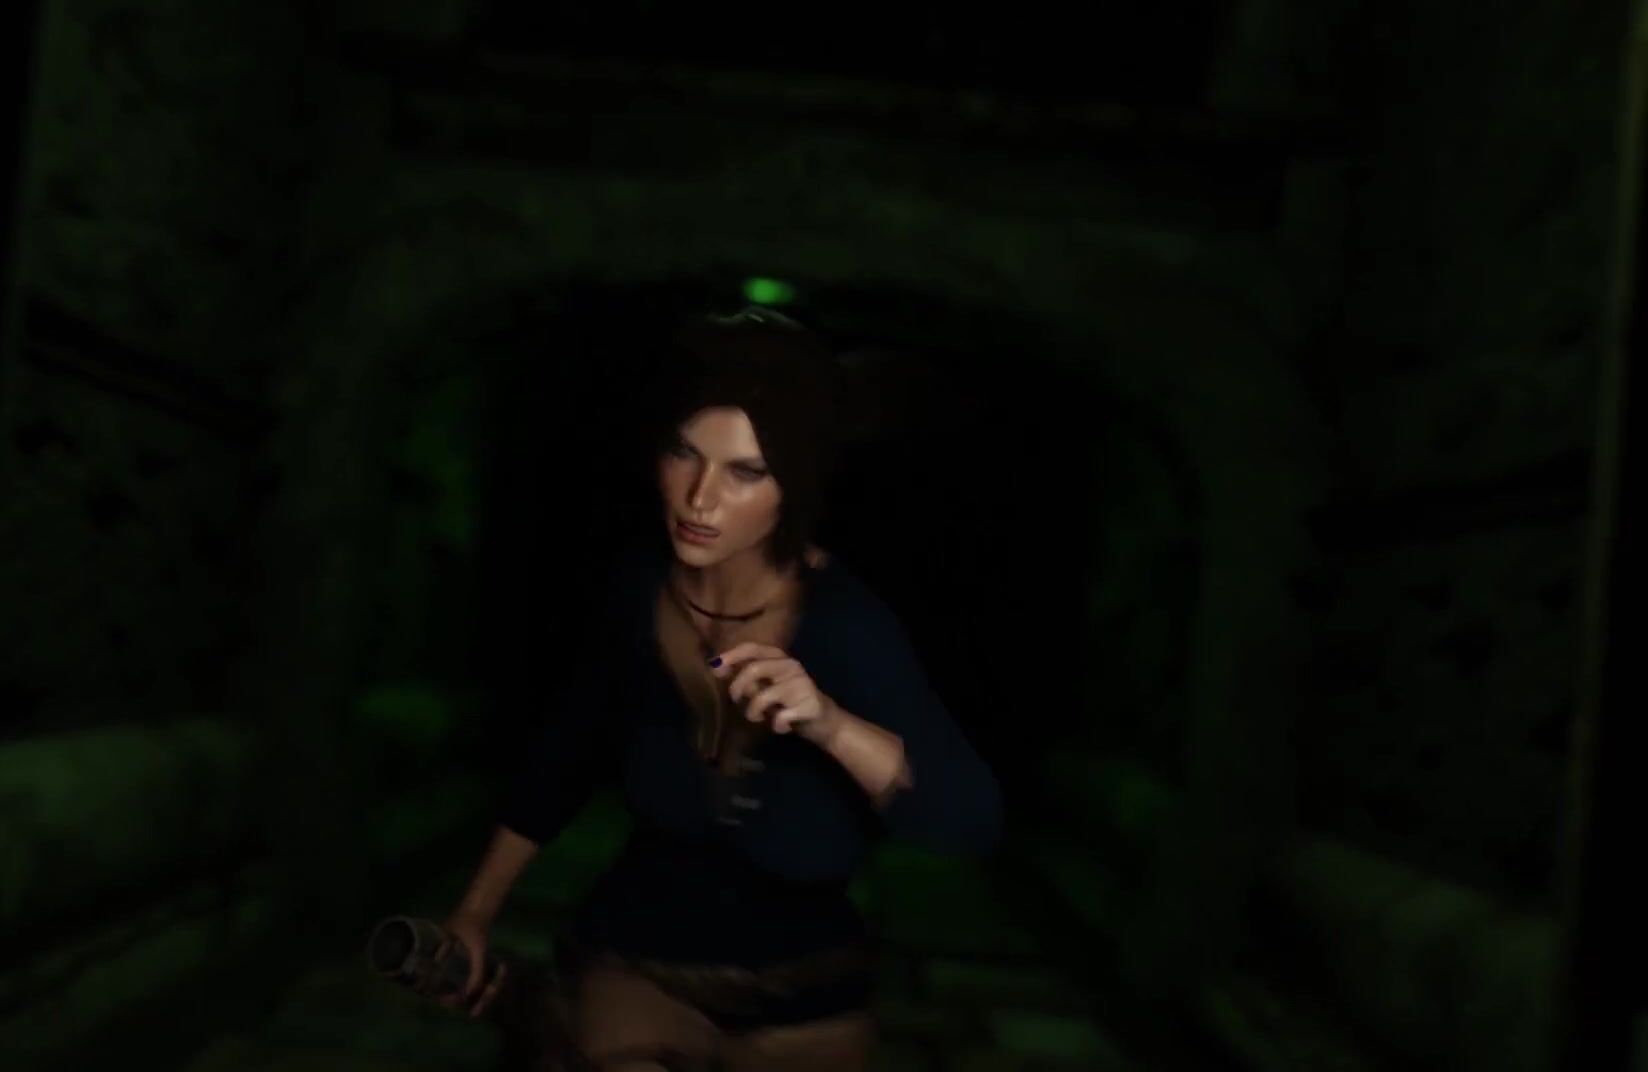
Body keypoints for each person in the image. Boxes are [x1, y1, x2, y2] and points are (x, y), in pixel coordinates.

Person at [435, 307, 1003, 1071]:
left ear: (794, 484)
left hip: (806, 989)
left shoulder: (845, 624)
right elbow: (563, 759)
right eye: (684, 454)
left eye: (746, 472)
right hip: (635, 960)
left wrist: (830, 724)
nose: (700, 499)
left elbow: (965, 820)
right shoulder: (637, 591)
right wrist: (474, 914)